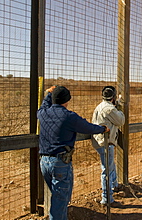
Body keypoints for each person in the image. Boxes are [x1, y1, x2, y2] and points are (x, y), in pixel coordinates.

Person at [38, 85, 109, 220]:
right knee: (59, 201)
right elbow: (88, 127)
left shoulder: (43, 113)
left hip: (44, 162)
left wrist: (48, 94)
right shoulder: (69, 116)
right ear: (67, 100)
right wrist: (102, 129)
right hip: (60, 162)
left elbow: (42, 107)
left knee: (58, 197)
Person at [91, 86, 125, 206]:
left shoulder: (101, 106)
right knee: (107, 169)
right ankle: (107, 199)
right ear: (113, 97)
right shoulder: (109, 109)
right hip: (105, 142)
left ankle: (115, 185)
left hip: (100, 141)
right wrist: (119, 108)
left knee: (110, 165)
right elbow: (121, 121)